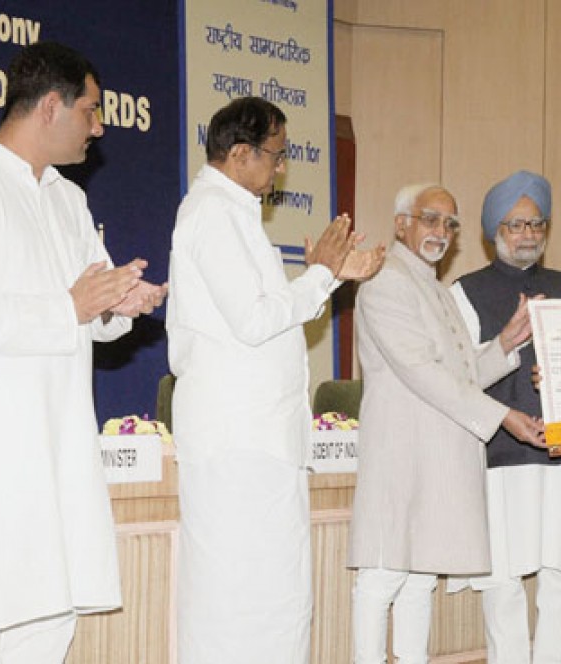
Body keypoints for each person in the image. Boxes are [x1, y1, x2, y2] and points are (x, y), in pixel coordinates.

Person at [0, 41, 168, 664]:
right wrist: (68, 308)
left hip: (59, 444)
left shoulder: (67, 199)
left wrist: (119, 306)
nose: (98, 128)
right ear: (51, 106)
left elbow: (88, 312)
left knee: (50, 620)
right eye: (91, 110)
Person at [167, 96, 383, 664]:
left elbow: (267, 317)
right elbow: (255, 321)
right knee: (234, 603)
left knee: (276, 598)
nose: (282, 168)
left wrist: (327, 279)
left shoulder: (234, 214)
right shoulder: (211, 215)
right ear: (240, 154)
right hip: (236, 442)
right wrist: (320, 275)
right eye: (276, 154)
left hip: (258, 441)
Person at [347, 183, 546, 664]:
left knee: (420, 579)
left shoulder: (435, 288)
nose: (441, 231)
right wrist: (503, 416)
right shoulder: (386, 280)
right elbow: (422, 371)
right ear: (402, 224)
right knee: (381, 577)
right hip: (401, 455)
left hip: (437, 459)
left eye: (450, 224)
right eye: (430, 219)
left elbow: (459, 372)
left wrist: (505, 343)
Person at [449, 170, 561, 664]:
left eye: (536, 223)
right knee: (502, 581)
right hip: (497, 456)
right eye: (515, 224)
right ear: (494, 231)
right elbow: (455, 375)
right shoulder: (464, 292)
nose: (527, 234)